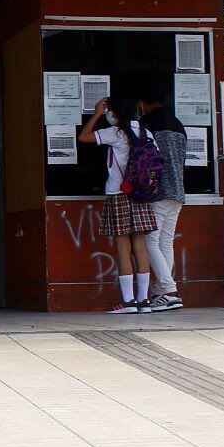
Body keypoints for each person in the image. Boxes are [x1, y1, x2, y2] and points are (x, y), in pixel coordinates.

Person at [78, 96, 158, 314]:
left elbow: (83, 137)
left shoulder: (116, 132)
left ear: (116, 113)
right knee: (140, 247)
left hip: (119, 192)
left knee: (123, 247)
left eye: (108, 110)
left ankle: (128, 301)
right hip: (141, 194)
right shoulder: (146, 132)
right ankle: (143, 301)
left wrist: (95, 115)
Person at [138, 86, 186, 311]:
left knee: (150, 241)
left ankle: (168, 290)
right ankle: (161, 293)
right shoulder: (178, 124)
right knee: (166, 243)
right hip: (177, 191)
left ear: (145, 104)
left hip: (157, 191)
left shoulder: (147, 124)